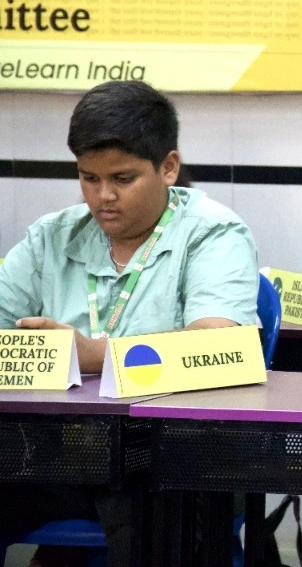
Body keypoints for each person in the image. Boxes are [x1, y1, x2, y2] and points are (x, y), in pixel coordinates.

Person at [0, 79, 259, 567]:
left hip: (172, 452)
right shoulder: (51, 237)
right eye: (88, 178)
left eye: (122, 178)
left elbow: (222, 349)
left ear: (169, 167)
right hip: (60, 450)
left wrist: (92, 355)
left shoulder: (214, 234)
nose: (103, 196)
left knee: (156, 512)